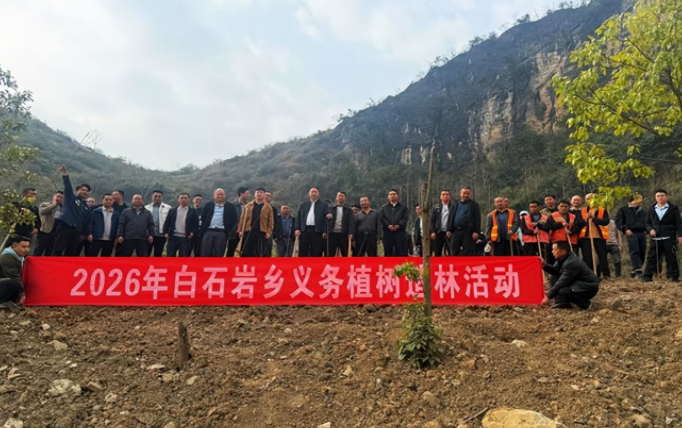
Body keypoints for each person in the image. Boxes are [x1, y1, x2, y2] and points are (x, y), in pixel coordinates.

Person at [541, 241, 599, 310]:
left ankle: (586, 304)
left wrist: (548, 297)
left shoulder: (571, 262)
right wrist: (545, 266)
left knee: (564, 290)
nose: (552, 252)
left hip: (588, 287)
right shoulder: (562, 258)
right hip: (577, 282)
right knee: (555, 277)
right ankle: (562, 302)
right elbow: (556, 271)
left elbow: (562, 282)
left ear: (563, 251)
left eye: (555, 250)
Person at [641, 189, 682, 282]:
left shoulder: (673, 208)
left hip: (669, 237)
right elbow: (647, 223)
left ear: (667, 197)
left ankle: (673, 277)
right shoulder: (651, 209)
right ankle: (647, 276)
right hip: (655, 238)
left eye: (662, 196)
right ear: (655, 197)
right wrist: (650, 230)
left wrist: (680, 235)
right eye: (658, 196)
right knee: (652, 257)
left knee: (671, 257)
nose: (660, 198)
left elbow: (678, 223)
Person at [52, 165, 91, 256]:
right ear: (77, 191)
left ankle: (66, 265)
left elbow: (86, 221)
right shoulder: (70, 198)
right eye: (82, 189)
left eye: (86, 191)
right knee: (58, 249)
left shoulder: (87, 207)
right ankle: (54, 264)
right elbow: (68, 187)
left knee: (71, 252)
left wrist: (83, 233)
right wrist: (65, 174)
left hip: (77, 230)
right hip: (65, 225)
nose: (84, 191)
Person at [578, 193, 611, 279]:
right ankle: (590, 275)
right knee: (587, 257)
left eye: (592, 198)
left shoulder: (602, 210)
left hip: (599, 237)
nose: (590, 200)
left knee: (602, 256)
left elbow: (605, 221)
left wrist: (594, 218)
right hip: (585, 238)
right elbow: (578, 223)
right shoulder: (582, 210)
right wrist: (586, 219)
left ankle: (606, 274)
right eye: (588, 199)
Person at [615, 194, 647, 278]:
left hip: (642, 233)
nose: (640, 201)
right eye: (638, 199)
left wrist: (647, 230)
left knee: (642, 252)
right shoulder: (624, 210)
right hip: (631, 233)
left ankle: (636, 270)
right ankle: (637, 269)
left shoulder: (642, 211)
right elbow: (618, 221)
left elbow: (647, 221)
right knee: (634, 250)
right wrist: (625, 229)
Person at [200, 188, 238, 257]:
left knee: (219, 253)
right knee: (205, 252)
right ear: (214, 196)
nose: (220, 196)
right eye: (218, 194)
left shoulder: (230, 206)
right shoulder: (208, 205)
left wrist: (227, 228)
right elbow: (203, 217)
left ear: (225, 196)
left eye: (222, 194)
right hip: (208, 231)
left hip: (221, 232)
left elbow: (234, 219)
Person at [238, 188, 274, 257]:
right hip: (248, 231)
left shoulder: (268, 207)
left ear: (264, 195)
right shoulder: (248, 206)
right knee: (246, 252)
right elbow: (242, 220)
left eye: (261, 192)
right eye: (257, 192)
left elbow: (271, 221)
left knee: (259, 253)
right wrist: (240, 231)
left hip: (261, 232)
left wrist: (269, 232)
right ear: (255, 194)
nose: (259, 194)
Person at [295, 188, 329, 257]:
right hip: (304, 230)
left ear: (318, 194)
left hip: (317, 231)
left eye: (315, 192)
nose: (313, 193)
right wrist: (297, 228)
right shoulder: (303, 205)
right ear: (309, 194)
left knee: (316, 251)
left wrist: (325, 231)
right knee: (302, 251)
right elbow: (298, 217)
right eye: (312, 192)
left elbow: (326, 219)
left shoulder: (324, 205)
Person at [163, 193, 199, 257]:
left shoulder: (193, 211)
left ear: (189, 199)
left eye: (185, 198)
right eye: (181, 198)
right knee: (170, 255)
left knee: (184, 256)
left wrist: (192, 232)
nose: (183, 199)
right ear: (178, 199)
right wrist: (165, 232)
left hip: (186, 238)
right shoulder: (172, 210)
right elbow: (167, 222)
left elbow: (195, 224)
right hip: (173, 237)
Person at [0, 236, 31, 309]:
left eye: (27, 247)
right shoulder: (7, 258)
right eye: (23, 247)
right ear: (14, 246)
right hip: (3, 282)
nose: (26, 249)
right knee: (14, 283)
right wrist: (21, 294)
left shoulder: (20, 257)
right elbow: (13, 276)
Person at [450, 186, 481, 256]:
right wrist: (449, 229)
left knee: (468, 251)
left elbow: (477, 219)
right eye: (464, 193)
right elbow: (451, 217)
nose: (466, 195)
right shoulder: (455, 204)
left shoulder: (474, 205)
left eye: (468, 193)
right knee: (454, 251)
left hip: (468, 231)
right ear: (460, 194)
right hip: (456, 231)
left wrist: (476, 231)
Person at [34, 191, 63, 256]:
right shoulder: (45, 204)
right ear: (53, 197)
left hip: (56, 232)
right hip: (45, 230)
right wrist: (53, 205)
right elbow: (42, 211)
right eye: (58, 196)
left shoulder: (63, 208)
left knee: (50, 251)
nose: (59, 198)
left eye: (61, 197)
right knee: (39, 249)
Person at [380, 189, 409, 256]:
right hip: (387, 233)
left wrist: (398, 225)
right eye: (390, 194)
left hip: (400, 232)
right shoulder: (384, 208)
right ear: (388, 197)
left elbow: (404, 218)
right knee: (388, 252)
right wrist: (388, 225)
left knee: (400, 251)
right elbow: (382, 218)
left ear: (398, 196)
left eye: (394, 194)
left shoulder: (403, 208)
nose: (392, 196)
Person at [325, 191, 354, 257]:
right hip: (332, 234)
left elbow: (351, 222)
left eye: (342, 196)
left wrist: (350, 233)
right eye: (339, 196)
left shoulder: (348, 210)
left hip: (343, 234)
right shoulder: (330, 209)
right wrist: (325, 231)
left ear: (345, 198)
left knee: (345, 253)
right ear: (336, 198)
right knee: (330, 254)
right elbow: (325, 221)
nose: (341, 197)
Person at [145, 190, 171, 257]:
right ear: (152, 197)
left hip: (161, 235)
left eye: (159, 197)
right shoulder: (146, 208)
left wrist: (167, 232)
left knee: (158, 254)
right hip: (148, 235)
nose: (157, 198)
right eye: (155, 196)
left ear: (162, 197)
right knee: (146, 254)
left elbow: (170, 221)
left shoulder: (168, 208)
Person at [429, 190, 454, 256]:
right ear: (440, 197)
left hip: (449, 232)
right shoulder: (436, 208)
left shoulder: (453, 207)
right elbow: (432, 220)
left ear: (450, 196)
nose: (445, 196)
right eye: (443, 194)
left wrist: (451, 229)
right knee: (437, 252)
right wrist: (432, 231)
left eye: (447, 194)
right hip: (438, 232)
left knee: (451, 252)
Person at [227, 187, 249, 257]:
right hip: (234, 232)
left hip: (245, 231)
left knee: (244, 251)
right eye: (247, 193)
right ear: (241, 194)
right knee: (230, 251)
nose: (248, 195)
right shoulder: (233, 205)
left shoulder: (249, 206)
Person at [264, 190, 280, 257]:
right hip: (257, 234)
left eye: (269, 196)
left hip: (269, 234)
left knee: (267, 253)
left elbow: (276, 222)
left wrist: (273, 233)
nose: (267, 197)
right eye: (266, 195)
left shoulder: (273, 209)